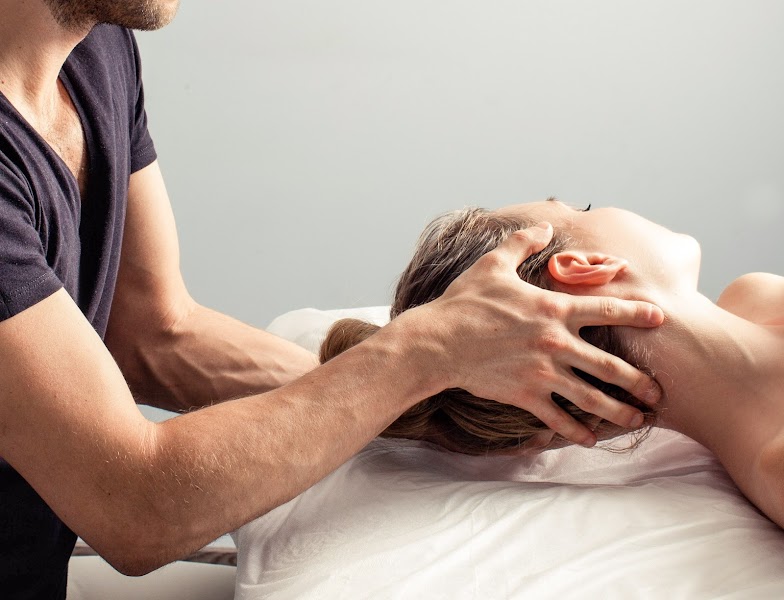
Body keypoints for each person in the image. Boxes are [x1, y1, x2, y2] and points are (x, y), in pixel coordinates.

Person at [0, 2, 664, 597]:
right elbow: (133, 507)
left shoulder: (93, 46)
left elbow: (154, 333)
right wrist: (425, 351)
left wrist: (431, 411)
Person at [321, 198, 784, 528]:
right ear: (584, 267)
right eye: (582, 208)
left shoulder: (754, 297)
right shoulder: (777, 466)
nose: (601, 205)